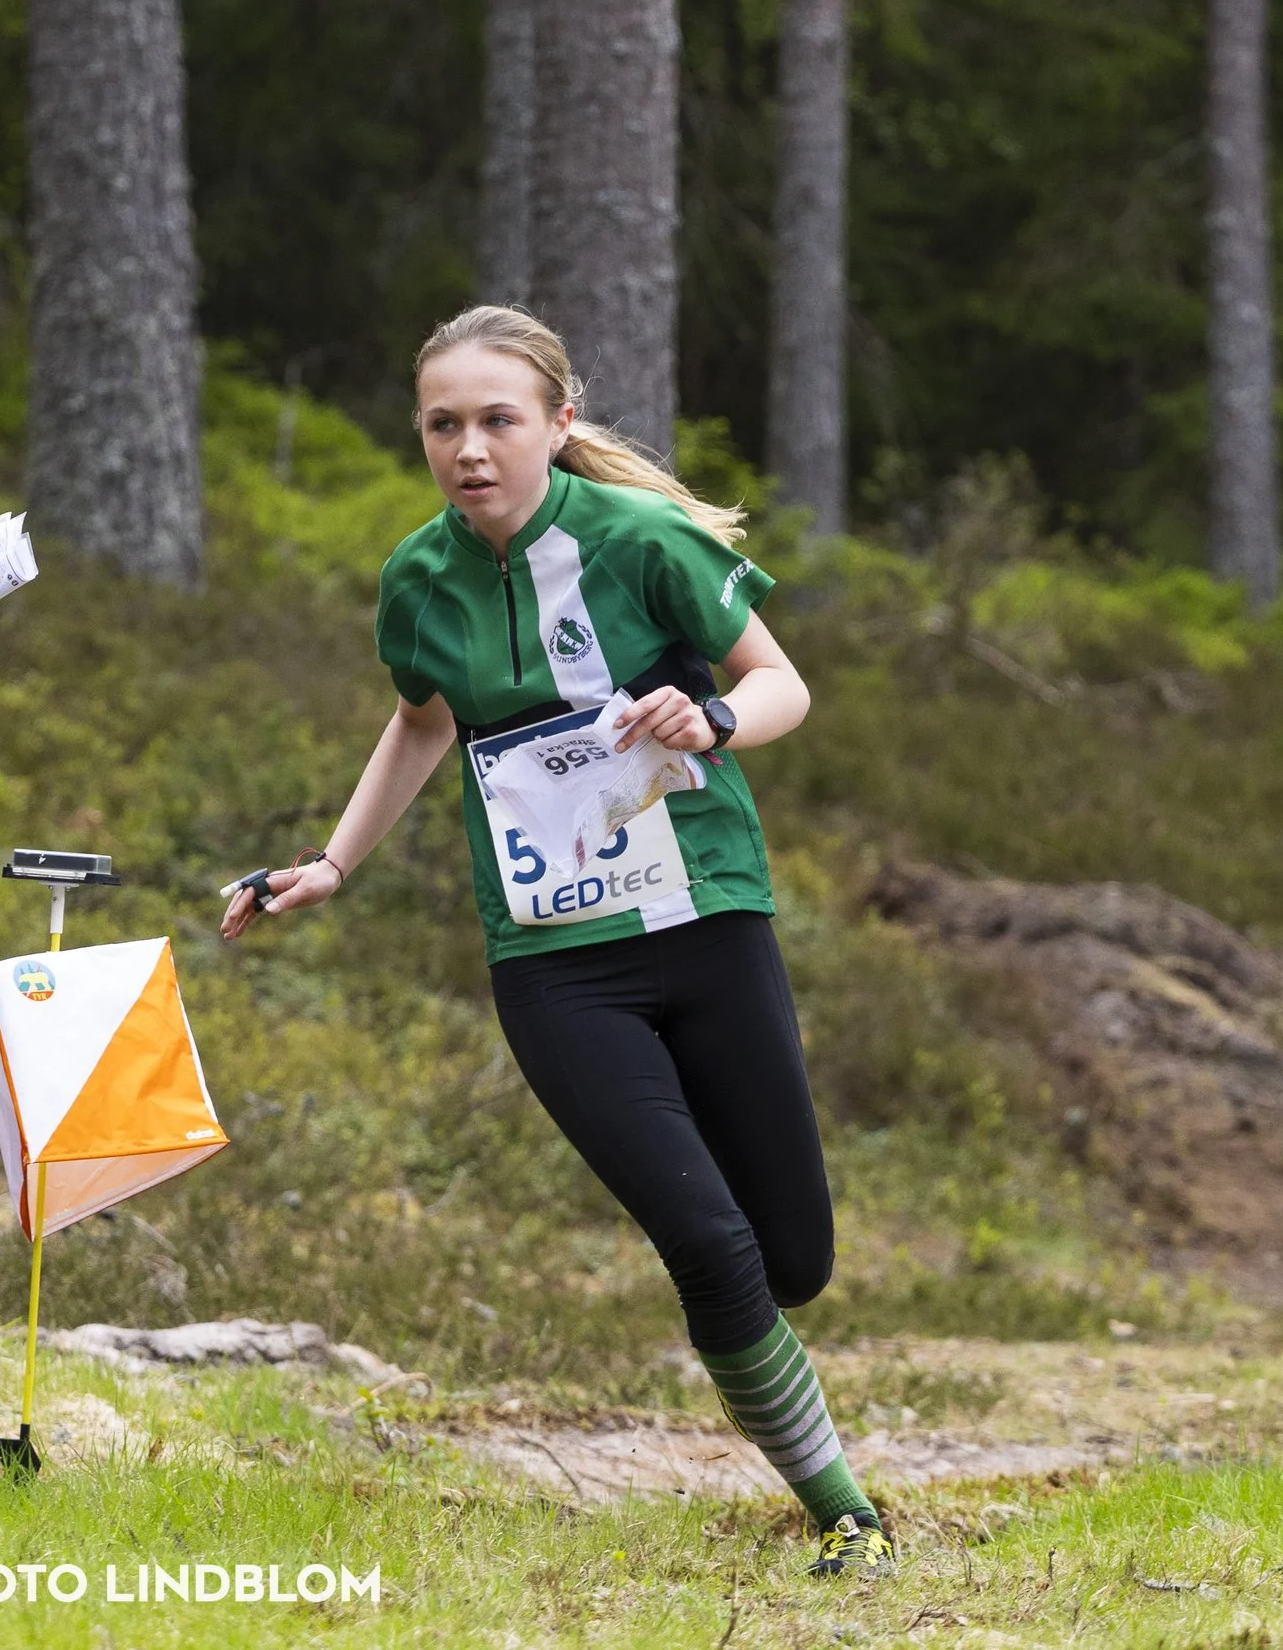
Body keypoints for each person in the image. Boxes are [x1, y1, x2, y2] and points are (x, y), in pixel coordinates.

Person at [220, 306, 892, 1577]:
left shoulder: (641, 541)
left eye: (496, 420)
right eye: (442, 424)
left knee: (790, 1259)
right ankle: (843, 1509)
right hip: (552, 961)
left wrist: (710, 716)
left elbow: (782, 682)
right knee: (707, 1244)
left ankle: (791, 1398)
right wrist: (329, 860)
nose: (469, 448)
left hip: (705, 915)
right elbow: (420, 724)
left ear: (558, 423)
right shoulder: (418, 575)